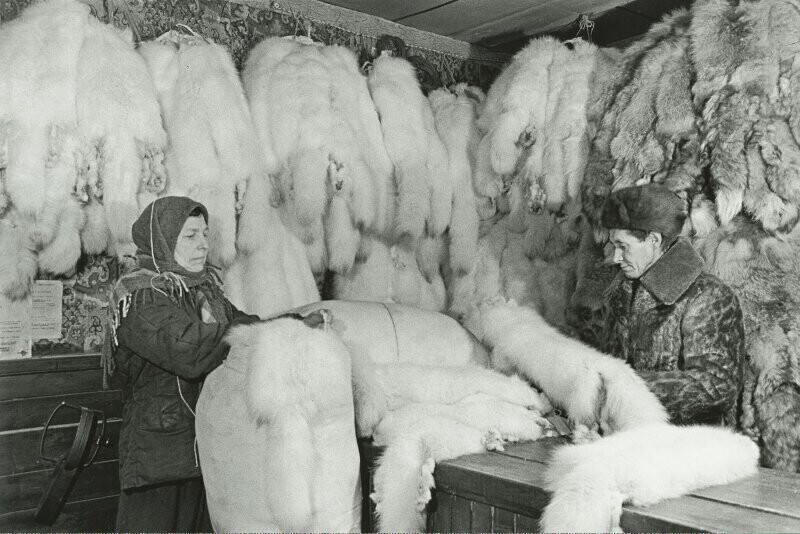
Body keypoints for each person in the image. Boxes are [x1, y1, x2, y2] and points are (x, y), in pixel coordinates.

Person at [106, 196, 260, 533]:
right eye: (190, 236)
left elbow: (246, 323)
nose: (203, 245)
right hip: (157, 458)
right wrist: (251, 332)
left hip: (204, 450)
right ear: (161, 238)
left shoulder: (205, 291)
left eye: (205, 235)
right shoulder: (139, 297)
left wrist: (290, 325)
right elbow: (188, 348)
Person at [599, 184, 745, 426]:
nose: (615, 257)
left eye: (623, 246)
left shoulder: (709, 297)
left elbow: (716, 387)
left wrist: (625, 385)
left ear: (654, 239)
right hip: (625, 439)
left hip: (685, 449)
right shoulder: (623, 289)